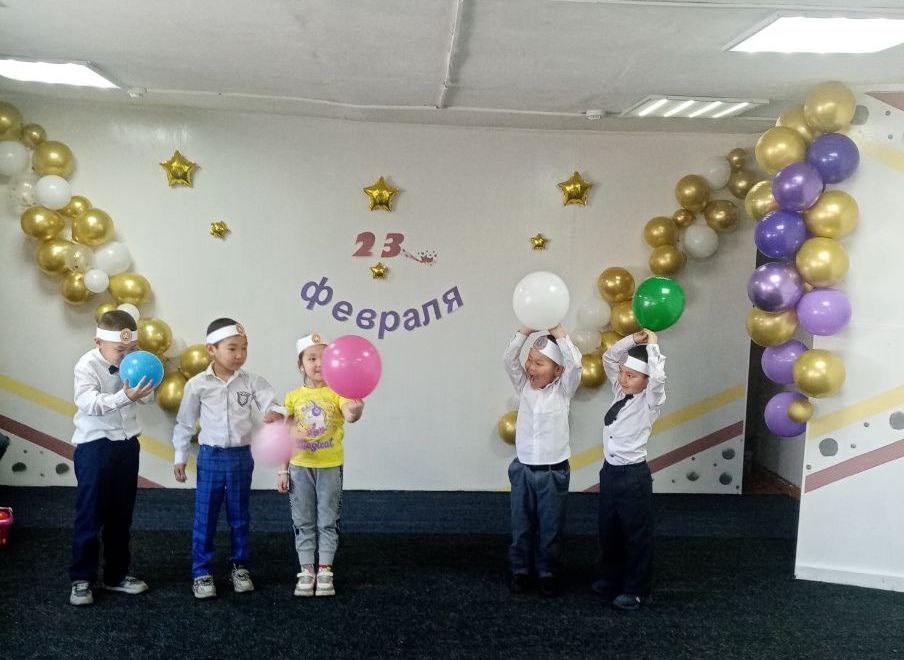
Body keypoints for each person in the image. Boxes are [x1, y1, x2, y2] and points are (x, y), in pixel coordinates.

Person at [173, 318, 279, 599]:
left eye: (244, 348)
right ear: (211, 349)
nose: (240, 355)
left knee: (239, 515)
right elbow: (184, 423)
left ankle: (239, 566)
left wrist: (274, 413)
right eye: (232, 348)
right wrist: (180, 456)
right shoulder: (197, 385)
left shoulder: (251, 381)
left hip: (242, 457)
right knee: (205, 516)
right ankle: (202, 572)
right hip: (211, 457)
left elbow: (270, 402)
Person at [69, 310, 155, 606]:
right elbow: (88, 403)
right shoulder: (86, 365)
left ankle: (116, 575)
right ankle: (82, 578)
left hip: (127, 444)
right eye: (120, 350)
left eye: (132, 349)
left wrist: (145, 384)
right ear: (99, 343)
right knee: (90, 513)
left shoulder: (134, 361)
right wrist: (124, 396)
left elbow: (148, 398)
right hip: (94, 446)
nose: (126, 356)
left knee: (121, 514)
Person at [276, 333, 363, 597]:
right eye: (312, 359)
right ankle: (307, 570)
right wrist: (282, 469)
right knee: (302, 520)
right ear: (301, 365)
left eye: (324, 359)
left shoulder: (338, 393)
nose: (318, 364)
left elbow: (350, 414)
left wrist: (356, 409)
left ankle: (325, 570)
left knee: (327, 520)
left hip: (330, 467)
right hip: (299, 468)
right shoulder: (293, 397)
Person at [502, 325, 581, 597]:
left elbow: (575, 364)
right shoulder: (524, 385)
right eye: (530, 360)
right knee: (521, 525)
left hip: (553, 472)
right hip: (523, 469)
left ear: (558, 370)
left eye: (539, 363)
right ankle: (520, 569)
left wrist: (560, 335)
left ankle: (548, 571)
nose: (531, 368)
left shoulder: (564, 390)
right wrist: (523, 332)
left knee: (550, 527)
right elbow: (508, 359)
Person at [593, 328, 666, 611]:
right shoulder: (619, 390)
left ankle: (637, 590)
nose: (623, 379)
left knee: (636, 534)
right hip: (610, 473)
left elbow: (659, 379)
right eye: (623, 373)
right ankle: (612, 577)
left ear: (645, 382)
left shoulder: (650, 402)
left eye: (631, 376)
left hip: (632, 476)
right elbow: (609, 358)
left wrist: (653, 348)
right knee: (608, 531)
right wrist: (634, 341)